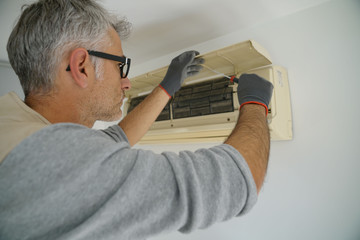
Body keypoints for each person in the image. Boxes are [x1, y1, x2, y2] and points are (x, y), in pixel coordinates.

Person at [0, 0, 274, 239]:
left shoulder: (15, 125)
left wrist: (167, 86)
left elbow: (115, 140)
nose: (126, 82)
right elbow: (236, 180)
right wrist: (255, 103)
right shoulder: (54, 160)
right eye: (120, 66)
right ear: (81, 66)